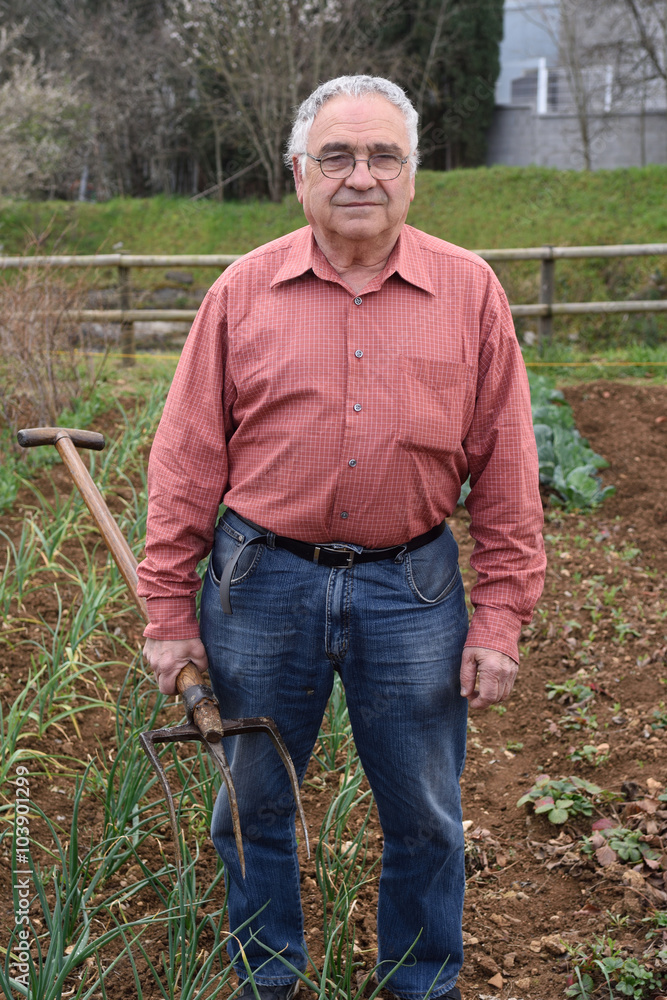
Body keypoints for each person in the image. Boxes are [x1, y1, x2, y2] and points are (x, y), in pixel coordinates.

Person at [138, 75, 546, 1000]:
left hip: (412, 590)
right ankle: (267, 977)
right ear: (297, 172)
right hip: (260, 584)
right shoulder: (244, 291)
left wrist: (500, 617)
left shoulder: (469, 291)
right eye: (335, 156)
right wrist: (167, 608)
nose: (359, 175)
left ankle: (418, 983)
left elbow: (508, 468)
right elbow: (187, 461)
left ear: (411, 174)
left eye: (381, 156)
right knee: (251, 808)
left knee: (427, 818)